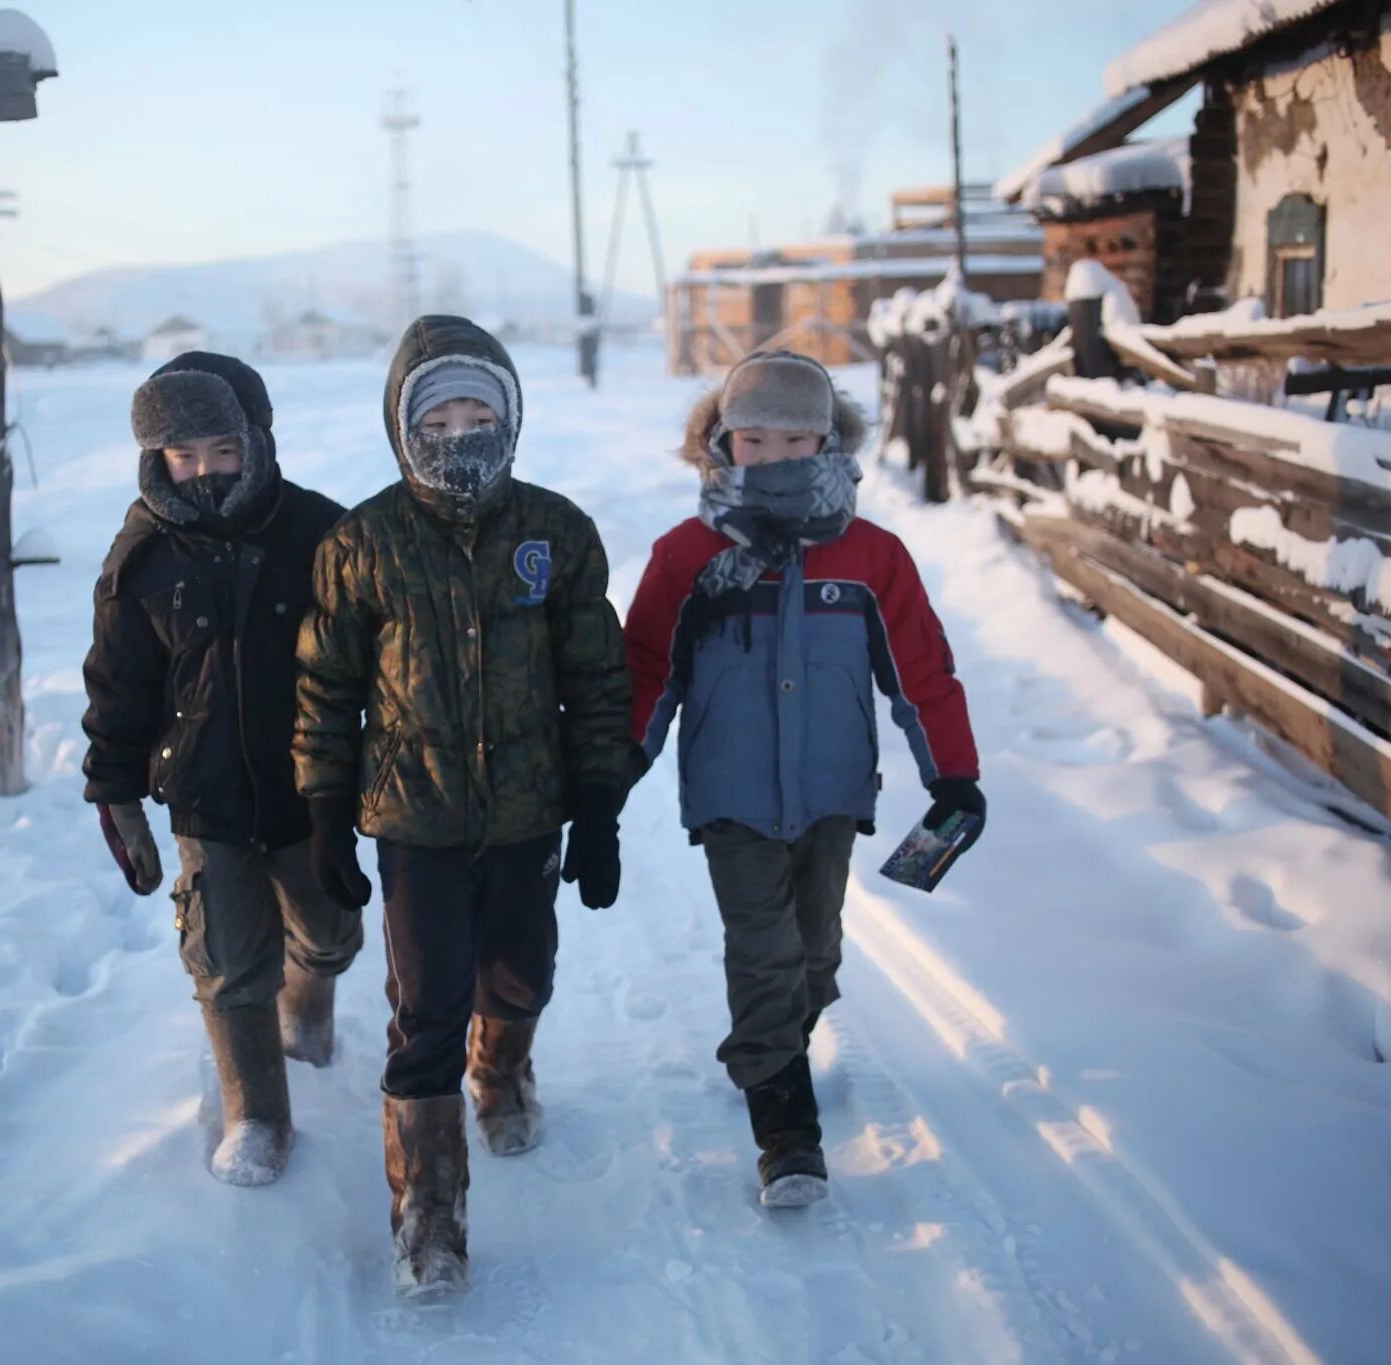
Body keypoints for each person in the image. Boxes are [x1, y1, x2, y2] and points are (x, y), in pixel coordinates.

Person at [293, 315, 631, 1295]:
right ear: (403, 427)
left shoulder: (555, 533)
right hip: (413, 819)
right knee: (426, 1005)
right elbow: (324, 689)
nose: (457, 431)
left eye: (476, 410)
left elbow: (596, 679)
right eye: (435, 414)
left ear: (510, 417)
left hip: (528, 811)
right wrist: (324, 809)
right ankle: (428, 1210)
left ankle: (502, 1068)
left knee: (519, 976)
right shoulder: (361, 542)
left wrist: (600, 808)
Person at [622, 349, 983, 1208]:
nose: (773, 457)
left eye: (794, 440)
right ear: (721, 441)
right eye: (752, 440)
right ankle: (787, 1131)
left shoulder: (870, 557)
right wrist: (610, 774)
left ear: (825, 441)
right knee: (764, 951)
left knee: (815, 953)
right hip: (731, 797)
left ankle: (780, 1035)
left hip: (830, 793)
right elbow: (644, 670)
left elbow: (922, 672)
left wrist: (954, 776)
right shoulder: (688, 555)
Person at [82, 352, 361, 1188]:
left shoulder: (319, 531)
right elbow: (119, 679)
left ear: (256, 440)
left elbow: (372, 659)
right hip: (205, 795)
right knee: (228, 961)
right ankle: (256, 1114)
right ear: (156, 458)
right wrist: (116, 790)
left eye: (221, 450)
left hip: (309, 790)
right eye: (182, 455)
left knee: (329, 934)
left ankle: (308, 1014)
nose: (203, 472)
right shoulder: (143, 553)